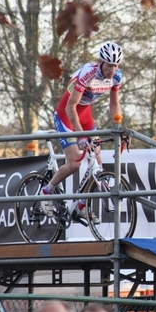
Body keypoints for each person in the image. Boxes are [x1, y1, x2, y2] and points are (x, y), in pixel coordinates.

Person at [40, 42, 124, 223]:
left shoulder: (116, 77)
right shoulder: (88, 74)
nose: (112, 69)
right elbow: (71, 107)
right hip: (67, 115)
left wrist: (120, 128)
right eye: (109, 65)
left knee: (97, 162)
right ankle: (46, 192)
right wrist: (80, 136)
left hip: (85, 116)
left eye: (115, 65)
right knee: (74, 164)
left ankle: (80, 207)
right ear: (101, 62)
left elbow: (114, 104)